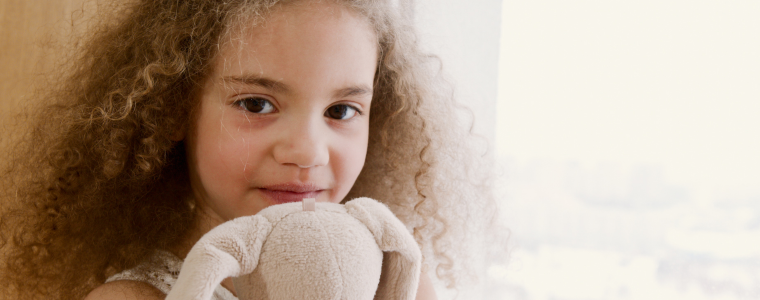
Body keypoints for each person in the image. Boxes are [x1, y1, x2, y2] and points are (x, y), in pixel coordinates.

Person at [0, 0, 502, 299]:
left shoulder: (397, 280)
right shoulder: (135, 299)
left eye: (342, 111)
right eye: (257, 104)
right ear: (173, 109)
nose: (307, 151)